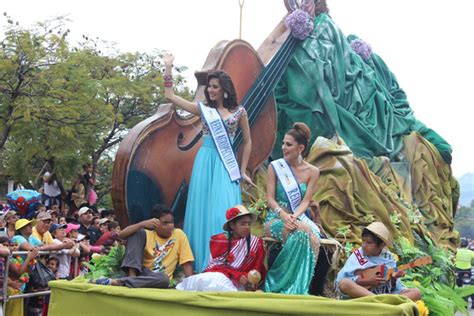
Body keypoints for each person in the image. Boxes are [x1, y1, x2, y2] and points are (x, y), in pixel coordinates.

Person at [163, 52, 253, 272]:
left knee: (223, 211)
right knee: (201, 210)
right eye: (209, 87)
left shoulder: (239, 112)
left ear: (224, 88)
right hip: (205, 161)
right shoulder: (204, 110)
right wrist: (168, 68)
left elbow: (248, 141)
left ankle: (226, 263)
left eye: (214, 86)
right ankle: (200, 266)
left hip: (226, 164)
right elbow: (170, 96)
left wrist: (243, 169)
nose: (211, 90)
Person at [264, 122, 321, 295]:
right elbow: (270, 199)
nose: (283, 148)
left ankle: (299, 286)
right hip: (276, 218)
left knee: (311, 234)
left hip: (298, 216)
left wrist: (294, 217)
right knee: (302, 232)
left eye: (288, 144)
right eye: (283, 143)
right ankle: (278, 284)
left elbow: (305, 202)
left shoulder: (313, 171)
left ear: (301, 148)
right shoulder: (275, 167)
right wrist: (284, 216)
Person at [90, 204, 194, 288]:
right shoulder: (146, 233)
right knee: (137, 232)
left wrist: (192, 286)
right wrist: (142, 224)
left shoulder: (179, 234)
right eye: (165, 223)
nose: (170, 226)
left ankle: (122, 282)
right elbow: (121, 235)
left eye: (172, 222)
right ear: (155, 223)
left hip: (157, 279)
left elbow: (186, 263)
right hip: (141, 272)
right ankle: (132, 277)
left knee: (164, 279)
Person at [177, 205, 266, 291]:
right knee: (215, 279)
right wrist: (235, 274)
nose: (247, 227)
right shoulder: (220, 240)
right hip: (221, 275)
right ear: (232, 225)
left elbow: (256, 268)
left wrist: (247, 277)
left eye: (249, 224)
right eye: (243, 224)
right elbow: (215, 266)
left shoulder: (256, 243)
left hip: (240, 282)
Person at [336, 222, 421, 301]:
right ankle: (383, 303)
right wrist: (368, 281)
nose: (364, 245)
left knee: (416, 292)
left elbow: (392, 289)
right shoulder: (358, 255)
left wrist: (394, 279)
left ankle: (382, 303)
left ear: (381, 245)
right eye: (363, 241)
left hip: (383, 295)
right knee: (345, 283)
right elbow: (342, 280)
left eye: (369, 243)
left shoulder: (389, 259)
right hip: (362, 296)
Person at [455, 238, 474, 307]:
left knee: (458, 285)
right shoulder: (470, 252)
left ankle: (460, 301)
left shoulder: (457, 251)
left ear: (460, 244)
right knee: (469, 285)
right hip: (467, 271)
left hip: (458, 270)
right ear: (467, 245)